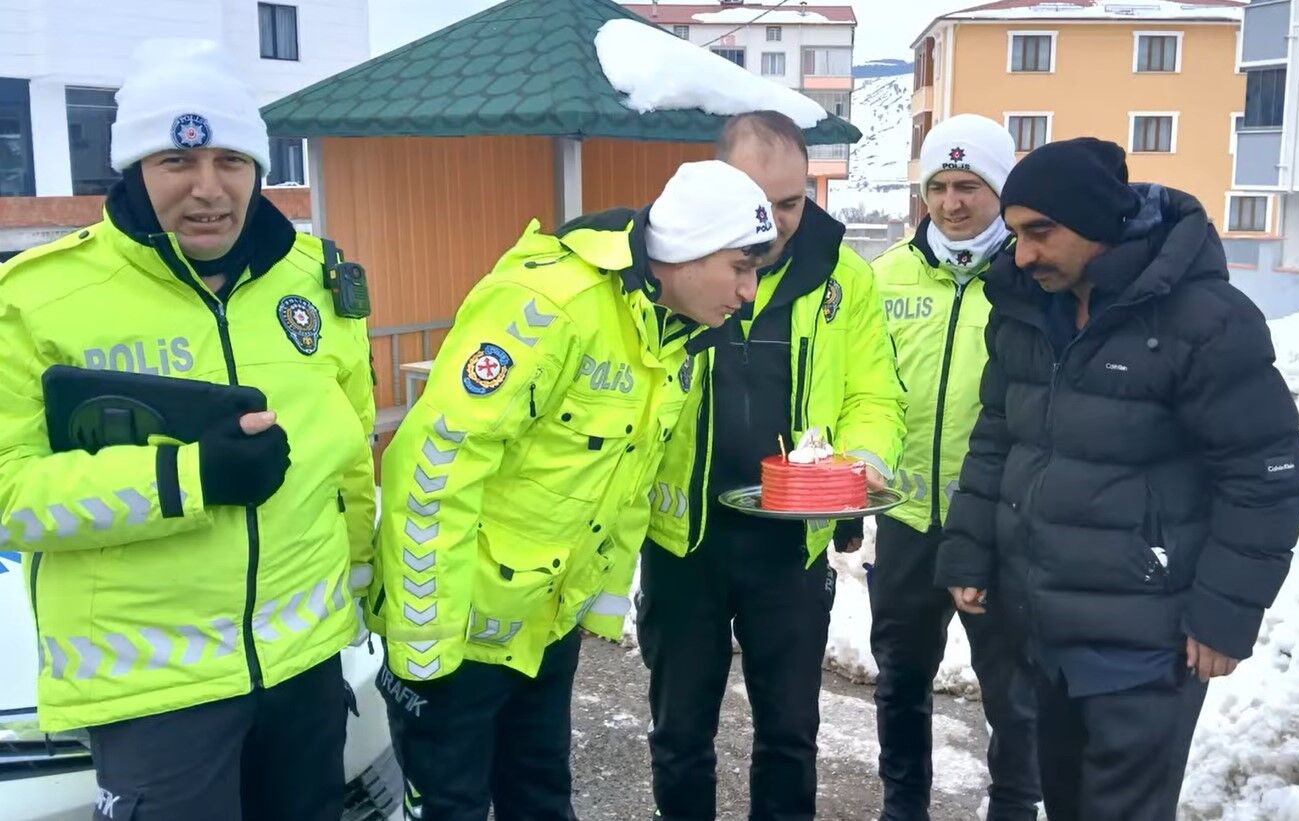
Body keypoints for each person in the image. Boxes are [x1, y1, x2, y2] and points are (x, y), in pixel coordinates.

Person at [0, 39, 376, 821]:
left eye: (232, 162)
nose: (208, 190)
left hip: (303, 667)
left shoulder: (316, 278)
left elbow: (348, 452)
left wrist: (363, 594)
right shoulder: (35, 300)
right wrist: (185, 479)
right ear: (134, 170)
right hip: (155, 694)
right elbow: (11, 495)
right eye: (177, 162)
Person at [367, 159, 776, 820]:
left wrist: (591, 610)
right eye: (739, 266)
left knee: (541, 800)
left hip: (540, 627)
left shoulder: (677, 342)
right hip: (452, 636)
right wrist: (422, 642)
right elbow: (434, 459)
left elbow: (627, 487)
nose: (748, 291)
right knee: (451, 807)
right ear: (686, 251)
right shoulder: (552, 305)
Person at [937, 137, 1299, 821]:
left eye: (1039, 232)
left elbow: (1265, 474)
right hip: (1043, 622)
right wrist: (968, 547)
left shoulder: (1206, 321)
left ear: (1097, 222)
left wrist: (1225, 613)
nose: (1021, 254)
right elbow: (995, 438)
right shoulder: (1023, 309)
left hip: (1146, 636)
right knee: (1068, 802)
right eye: (1015, 234)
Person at [638, 110, 907, 821]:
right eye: (757, 199)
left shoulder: (843, 275)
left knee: (789, 734)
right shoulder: (670, 265)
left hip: (790, 542)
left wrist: (864, 460)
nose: (775, 220)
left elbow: (874, 392)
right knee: (678, 733)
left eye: (790, 202)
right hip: (682, 540)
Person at [869, 114, 1040, 821]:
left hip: (1000, 526)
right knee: (899, 679)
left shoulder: (1030, 278)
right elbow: (863, 390)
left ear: (997, 188)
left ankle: (1011, 807)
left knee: (1011, 690)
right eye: (937, 185)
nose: (951, 202)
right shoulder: (884, 276)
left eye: (968, 185)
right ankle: (902, 804)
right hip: (908, 520)